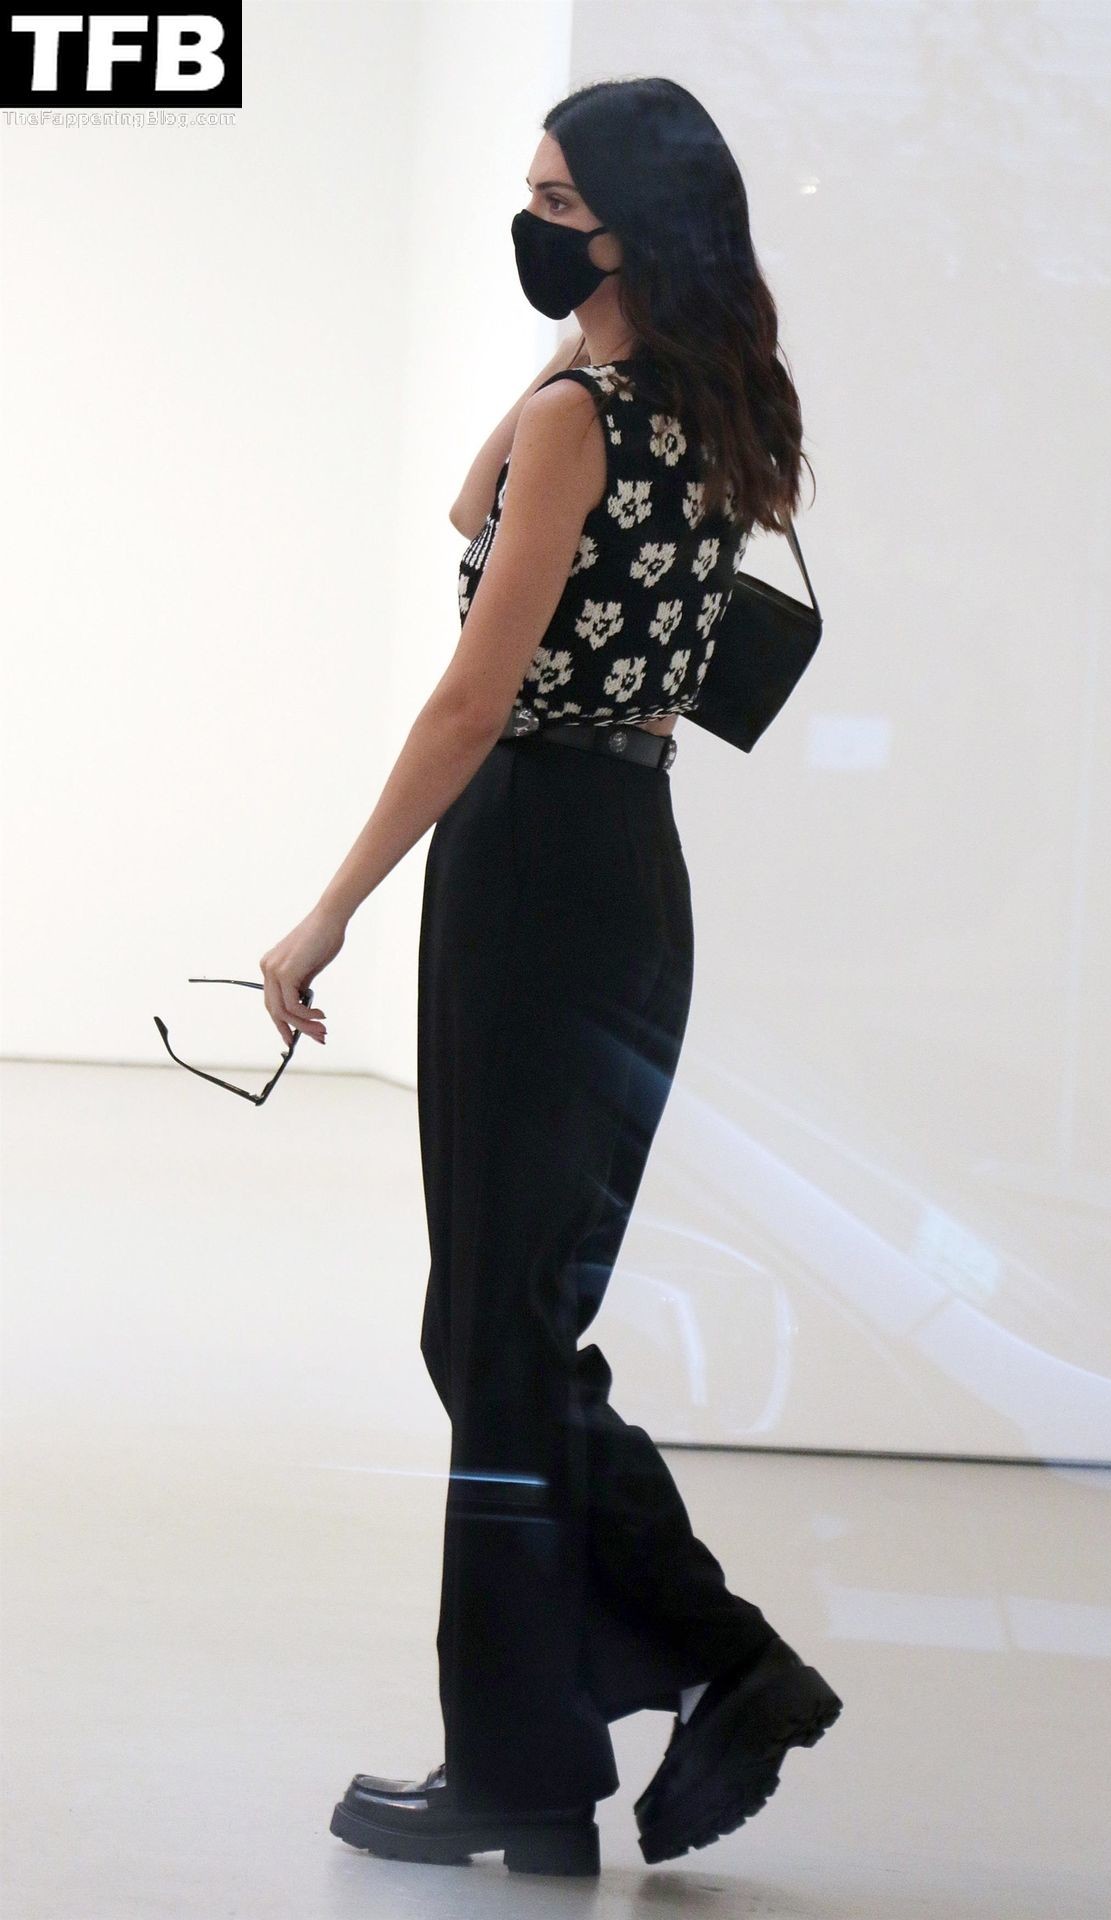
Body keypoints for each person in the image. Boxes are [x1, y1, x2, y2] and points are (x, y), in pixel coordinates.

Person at [259, 77, 843, 1880]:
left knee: (497, 1329)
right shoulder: (709, 404)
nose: (529, 224)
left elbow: (471, 697)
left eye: (559, 204)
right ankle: (584, 1731)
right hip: (631, 868)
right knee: (501, 1328)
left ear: (632, 225)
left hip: (529, 862)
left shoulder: (588, 419)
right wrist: (576, 349)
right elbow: (470, 501)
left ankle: (645, 1701)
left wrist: (327, 911)